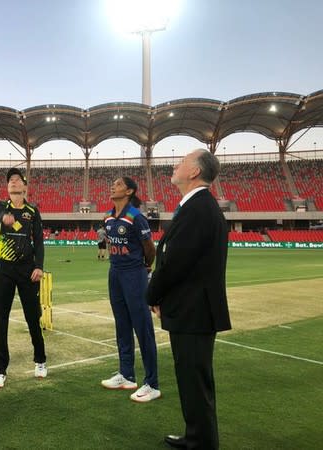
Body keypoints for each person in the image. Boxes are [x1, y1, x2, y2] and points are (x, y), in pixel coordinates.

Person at [146, 149, 231, 449]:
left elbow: (174, 261)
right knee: (192, 378)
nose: (175, 165)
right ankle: (197, 436)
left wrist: (152, 294)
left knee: (194, 379)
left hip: (194, 310)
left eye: (181, 162)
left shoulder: (198, 209)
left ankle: (202, 442)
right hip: (192, 308)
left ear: (194, 172)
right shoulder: (197, 207)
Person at [100, 177, 160, 403]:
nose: (112, 186)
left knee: (142, 327)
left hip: (134, 274)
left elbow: (150, 249)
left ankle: (152, 383)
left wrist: (144, 268)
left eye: (116, 184)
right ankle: (127, 375)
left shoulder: (136, 216)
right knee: (122, 324)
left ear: (129, 191)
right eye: (112, 183)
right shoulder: (107, 217)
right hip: (114, 273)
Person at [0, 168, 46, 389]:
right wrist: (4, 217)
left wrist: (39, 267)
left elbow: (39, 241)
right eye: (10, 180)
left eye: (17, 180)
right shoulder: (1, 206)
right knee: (0, 319)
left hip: (27, 270)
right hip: (3, 269)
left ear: (25, 187)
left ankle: (40, 360)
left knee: (33, 317)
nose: (13, 182)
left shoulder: (32, 211)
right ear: (7, 188)